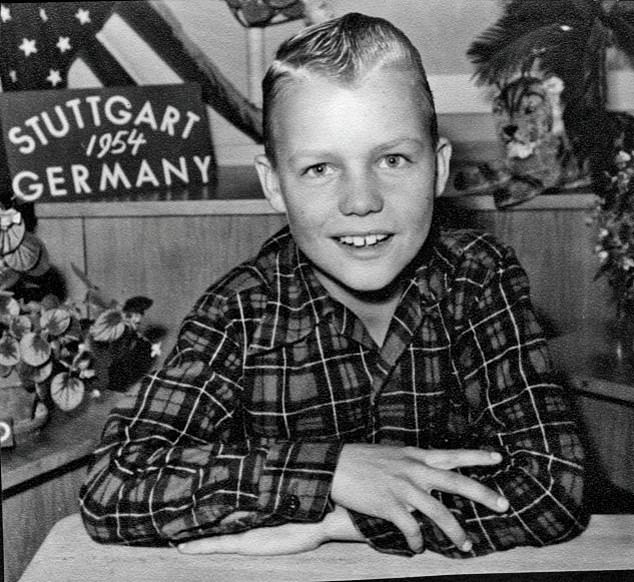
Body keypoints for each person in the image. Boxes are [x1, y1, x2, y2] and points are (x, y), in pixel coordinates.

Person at [79, 12, 587, 558]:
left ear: (438, 169)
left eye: (393, 159)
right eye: (320, 169)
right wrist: (332, 470)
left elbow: (555, 486)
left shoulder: (479, 278)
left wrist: (338, 522)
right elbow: (114, 487)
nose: (361, 201)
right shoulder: (241, 310)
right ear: (274, 184)